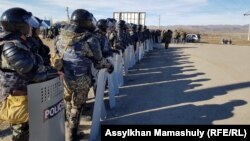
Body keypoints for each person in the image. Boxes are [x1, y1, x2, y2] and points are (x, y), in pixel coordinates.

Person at [0, 7, 59, 141]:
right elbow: (33, 73)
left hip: (27, 93)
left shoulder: (21, 42)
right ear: (19, 26)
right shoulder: (11, 46)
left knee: (31, 130)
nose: (31, 27)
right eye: (28, 23)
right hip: (17, 98)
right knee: (22, 132)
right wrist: (55, 73)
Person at [55, 9, 114, 141]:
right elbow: (99, 62)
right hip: (81, 77)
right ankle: (72, 135)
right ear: (85, 22)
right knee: (78, 105)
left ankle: (69, 131)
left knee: (68, 103)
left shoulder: (60, 36)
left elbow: (57, 54)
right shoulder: (89, 38)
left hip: (65, 77)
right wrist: (109, 66)